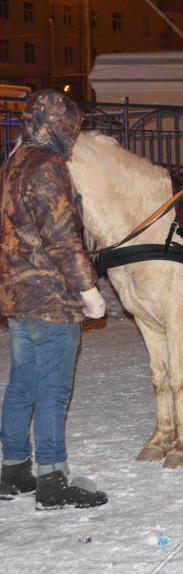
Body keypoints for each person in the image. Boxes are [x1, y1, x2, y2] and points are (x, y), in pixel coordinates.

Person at [0, 89, 109, 509]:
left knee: (23, 381)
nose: (72, 133)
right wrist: (88, 289)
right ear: (56, 125)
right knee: (52, 388)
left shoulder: (12, 164)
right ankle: (52, 478)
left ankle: (13, 471)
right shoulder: (47, 166)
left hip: (17, 294)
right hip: (52, 297)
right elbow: (62, 237)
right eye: (70, 125)